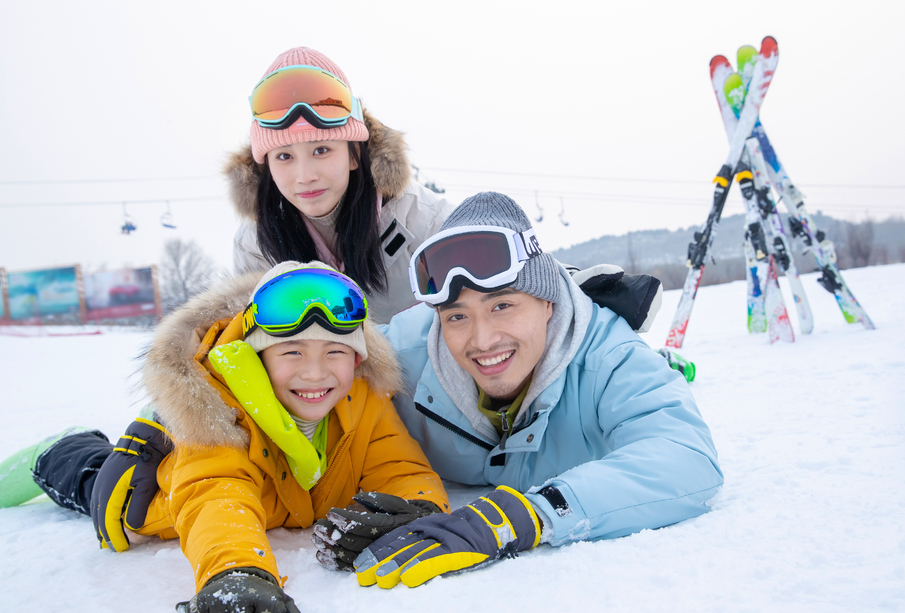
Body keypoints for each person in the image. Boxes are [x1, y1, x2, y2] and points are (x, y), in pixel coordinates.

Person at [0, 261, 449, 611]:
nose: (316, 372)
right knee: (95, 481)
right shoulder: (219, 406)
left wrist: (418, 508)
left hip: (267, 501)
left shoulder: (365, 397)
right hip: (150, 498)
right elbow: (217, 495)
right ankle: (57, 450)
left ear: (357, 359)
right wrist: (235, 571)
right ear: (256, 357)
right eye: (292, 351)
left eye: (336, 351)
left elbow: (398, 465)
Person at [345, 191, 723, 588]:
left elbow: (687, 458)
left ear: (547, 302)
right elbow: (312, 377)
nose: (483, 339)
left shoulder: (610, 355)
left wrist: (532, 514)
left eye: (502, 306)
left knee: (657, 369)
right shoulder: (403, 356)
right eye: (457, 316)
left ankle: (668, 360)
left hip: (610, 373)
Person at [227, 46, 454, 323]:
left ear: (354, 155)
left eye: (321, 150)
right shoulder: (255, 245)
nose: (305, 175)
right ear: (268, 169)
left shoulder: (424, 222)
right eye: (284, 156)